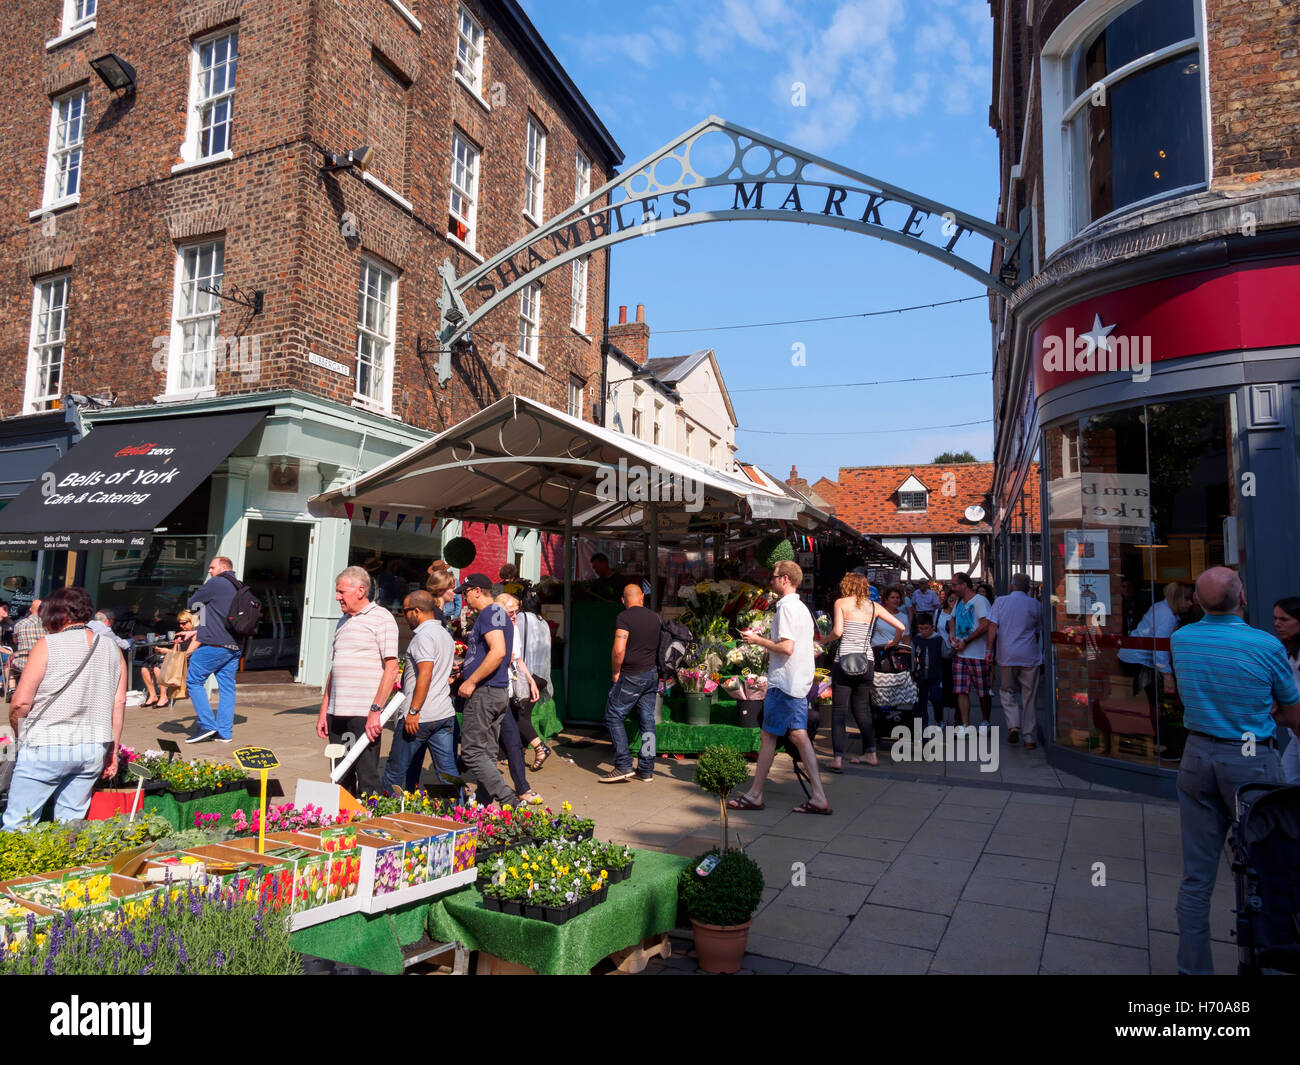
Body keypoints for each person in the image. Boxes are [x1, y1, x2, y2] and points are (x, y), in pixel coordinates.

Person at [1170, 567, 1300, 975]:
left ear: (1197, 601)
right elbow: (1293, 711)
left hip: (1197, 754)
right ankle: (1270, 956)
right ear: (1242, 599)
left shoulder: (1182, 639)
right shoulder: (1264, 644)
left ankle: (1193, 969)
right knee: (1270, 862)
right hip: (1250, 758)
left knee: (1197, 874)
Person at [3, 587, 126, 828]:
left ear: (56, 615)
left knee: (19, 824)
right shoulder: (112, 648)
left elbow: (20, 702)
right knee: (70, 827)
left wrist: (20, 732)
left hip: (47, 743)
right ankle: (65, 865)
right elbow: (119, 702)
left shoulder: (48, 644)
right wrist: (112, 750)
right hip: (92, 746)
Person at [729, 560, 831, 815]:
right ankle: (818, 795)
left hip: (784, 683)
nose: (771, 581)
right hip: (797, 682)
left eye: (773, 577)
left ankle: (755, 794)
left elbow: (787, 647)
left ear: (785, 579)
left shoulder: (785, 608)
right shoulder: (801, 608)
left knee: (768, 737)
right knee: (798, 736)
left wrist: (757, 640)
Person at [316, 566, 400, 796]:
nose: (337, 597)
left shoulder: (382, 618)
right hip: (337, 714)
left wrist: (376, 711)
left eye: (341, 591)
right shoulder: (342, 621)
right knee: (339, 775)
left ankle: (368, 825)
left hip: (363, 714)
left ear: (360, 590)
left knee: (367, 777)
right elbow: (334, 670)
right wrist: (324, 712)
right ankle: (342, 825)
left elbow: (392, 668)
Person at [826, 572, 904, 772]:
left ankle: (837, 758)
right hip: (866, 661)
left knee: (839, 711)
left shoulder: (841, 603)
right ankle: (870, 753)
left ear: (847, 586)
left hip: (843, 660)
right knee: (862, 709)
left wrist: (821, 640)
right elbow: (901, 626)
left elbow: (838, 632)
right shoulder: (874, 607)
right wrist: (894, 642)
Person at [381, 590, 458, 794]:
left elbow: (426, 673)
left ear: (416, 611)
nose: (404, 616)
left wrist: (414, 711)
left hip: (421, 716)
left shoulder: (423, 637)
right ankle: (461, 811)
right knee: (448, 772)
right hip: (444, 713)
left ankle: (385, 813)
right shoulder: (444, 634)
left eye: (405, 611)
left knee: (394, 771)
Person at [454, 573, 516, 805]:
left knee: (471, 751)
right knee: (488, 754)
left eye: (466, 593)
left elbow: (498, 651)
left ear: (477, 591)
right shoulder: (499, 613)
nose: (465, 598)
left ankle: (509, 799)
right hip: (497, 690)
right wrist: (465, 668)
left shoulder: (490, 613)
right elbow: (503, 655)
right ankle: (484, 807)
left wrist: (471, 680)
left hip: (485, 692)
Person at [600, 583, 661, 783]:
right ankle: (647, 768)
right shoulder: (655, 617)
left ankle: (623, 764)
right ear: (642, 597)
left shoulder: (624, 617)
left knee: (613, 716)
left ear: (623, 600)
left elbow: (619, 650)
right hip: (652, 675)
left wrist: (615, 671)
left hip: (632, 675)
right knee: (648, 721)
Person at [185, 556, 244, 744]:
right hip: (234, 646)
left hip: (213, 645)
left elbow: (192, 606)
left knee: (193, 681)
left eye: (212, 567)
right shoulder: (240, 586)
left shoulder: (217, 582)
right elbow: (217, 616)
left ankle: (207, 725)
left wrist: (199, 618)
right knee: (227, 689)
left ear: (223, 568)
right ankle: (225, 733)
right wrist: (196, 630)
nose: (209, 571)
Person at [986, 572, 1043, 748]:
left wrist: (989, 650)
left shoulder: (1000, 602)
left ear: (1011, 586)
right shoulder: (1035, 604)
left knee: (1007, 691)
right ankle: (1029, 738)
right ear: (1028, 588)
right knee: (1029, 696)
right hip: (1029, 656)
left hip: (1007, 655)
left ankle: (1013, 725)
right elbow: (1037, 632)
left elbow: (993, 627)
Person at [497, 593, 552, 771]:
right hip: (541, 674)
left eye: (516, 611)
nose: (514, 615)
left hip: (524, 674)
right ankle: (514, 753)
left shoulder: (520, 620)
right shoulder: (542, 621)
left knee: (518, 716)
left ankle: (539, 747)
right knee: (520, 715)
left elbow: (516, 655)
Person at [1118, 582, 1189, 713]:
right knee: (1148, 702)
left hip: (1130, 655)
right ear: (1178, 599)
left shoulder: (1161, 607)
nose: (1190, 604)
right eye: (1187, 599)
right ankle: (1149, 729)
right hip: (1137, 659)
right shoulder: (1167, 617)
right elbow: (1160, 648)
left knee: (1142, 699)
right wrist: (1167, 675)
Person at [949, 571, 992, 735]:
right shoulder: (959, 601)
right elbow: (952, 619)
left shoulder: (980, 601)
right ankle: (965, 724)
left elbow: (985, 625)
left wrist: (966, 641)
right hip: (960, 654)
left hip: (977, 654)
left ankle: (985, 720)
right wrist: (952, 634)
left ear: (963, 585)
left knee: (983, 691)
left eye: (954, 585)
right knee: (961, 690)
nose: (952, 588)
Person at [142, 609, 199, 709]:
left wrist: (166, 651)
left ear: (192, 621)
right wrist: (173, 646)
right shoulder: (182, 633)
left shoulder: (196, 635)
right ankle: (153, 696)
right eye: (180, 624)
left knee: (157, 668)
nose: (181, 626)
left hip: (187, 663)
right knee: (145, 667)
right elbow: (175, 651)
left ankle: (163, 697)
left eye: (184, 623)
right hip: (177, 660)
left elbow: (187, 655)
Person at [1274, 596, 1300, 785]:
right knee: (1285, 782)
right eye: (1275, 619)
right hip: (1296, 733)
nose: (1277, 624)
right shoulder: (1288, 651)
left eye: (1284, 619)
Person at [912, 613, 945, 729]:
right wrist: (913, 671)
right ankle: (924, 724)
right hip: (920, 677)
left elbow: (946, 654)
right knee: (922, 702)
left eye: (926, 628)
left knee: (937, 698)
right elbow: (912, 657)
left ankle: (939, 719)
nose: (923, 631)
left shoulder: (938, 639)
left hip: (935, 675)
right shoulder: (916, 639)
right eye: (921, 628)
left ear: (932, 627)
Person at [8, 597, 44, 697]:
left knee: (9, 661)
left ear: (30, 609)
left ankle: (12, 689)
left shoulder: (19, 624)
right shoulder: (49, 625)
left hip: (22, 662)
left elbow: (15, 641)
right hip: (42, 664)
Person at [934, 588, 959, 722]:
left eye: (955, 600)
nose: (952, 602)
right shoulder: (939, 613)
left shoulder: (959, 615)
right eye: (950, 599)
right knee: (944, 686)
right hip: (941, 654)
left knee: (955, 686)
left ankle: (955, 717)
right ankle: (944, 717)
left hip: (956, 653)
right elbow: (935, 631)